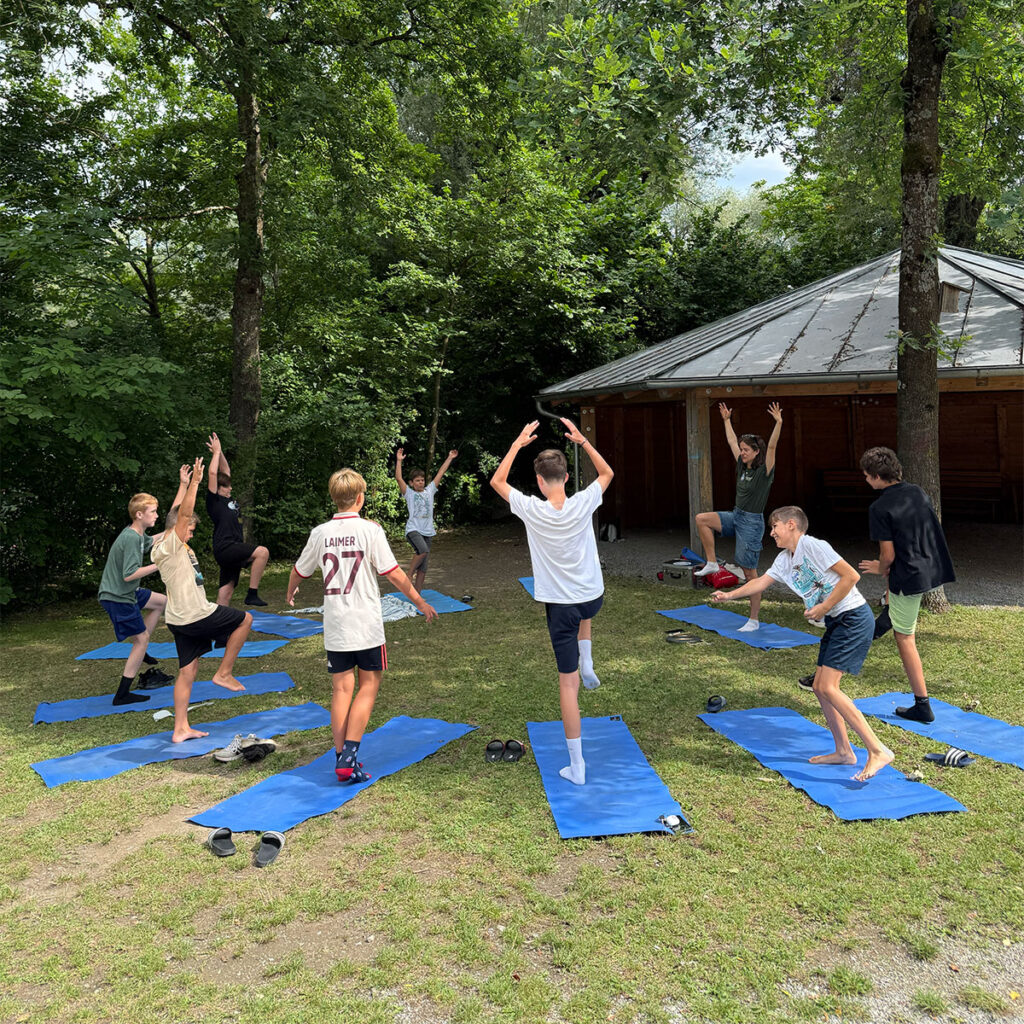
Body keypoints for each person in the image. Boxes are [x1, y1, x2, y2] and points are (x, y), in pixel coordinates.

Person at [711, 505, 895, 782]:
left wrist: (823, 607)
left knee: (828, 687)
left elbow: (851, 576)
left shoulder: (813, 546)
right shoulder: (785, 559)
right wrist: (729, 596)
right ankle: (844, 752)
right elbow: (761, 582)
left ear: (792, 525)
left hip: (854, 618)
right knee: (820, 688)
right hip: (837, 621)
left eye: (775, 526)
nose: (771, 533)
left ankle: (878, 750)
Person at [287, 468, 438, 783]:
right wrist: (419, 601)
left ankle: (340, 756)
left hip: (336, 624)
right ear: (360, 498)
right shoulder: (371, 531)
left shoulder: (320, 533)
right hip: (366, 624)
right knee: (368, 686)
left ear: (335, 498)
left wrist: (291, 591)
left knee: (341, 690)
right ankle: (349, 756)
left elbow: (299, 570)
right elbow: (393, 573)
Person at [490, 418, 614, 786]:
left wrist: (517, 443)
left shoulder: (532, 508)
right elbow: (607, 473)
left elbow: (497, 481)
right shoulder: (583, 501)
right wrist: (583, 441)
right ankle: (587, 658)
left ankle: (577, 767)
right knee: (584, 613)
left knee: (567, 685)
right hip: (593, 598)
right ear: (566, 478)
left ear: (540, 482)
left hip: (562, 607)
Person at [152, 456, 253, 743]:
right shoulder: (172, 545)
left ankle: (180, 728)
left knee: (188, 671)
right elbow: (182, 516)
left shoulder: (165, 542)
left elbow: (175, 514)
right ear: (178, 529)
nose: (191, 534)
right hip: (195, 613)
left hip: (178, 619)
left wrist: (183, 485)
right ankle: (224, 673)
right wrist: (196, 483)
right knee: (245, 619)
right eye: (190, 530)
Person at [857, 446, 956, 724]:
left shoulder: (879, 507)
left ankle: (922, 705)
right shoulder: (917, 492)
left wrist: (880, 567)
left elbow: (887, 555)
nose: (866, 480)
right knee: (890, 617)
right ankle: (876, 627)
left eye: (866, 476)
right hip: (930, 569)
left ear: (877, 477)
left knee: (905, 638)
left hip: (908, 576)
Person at [97, 466, 190, 705]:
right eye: (153, 512)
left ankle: (143, 643)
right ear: (139, 514)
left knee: (162, 602)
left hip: (127, 592)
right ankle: (122, 694)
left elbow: (169, 527)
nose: (156, 515)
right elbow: (129, 575)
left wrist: (183, 485)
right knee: (140, 640)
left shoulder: (138, 535)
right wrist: (159, 564)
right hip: (117, 596)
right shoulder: (131, 538)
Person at [694, 402, 784, 632]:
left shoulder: (764, 471)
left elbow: (772, 446)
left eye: (746, 450)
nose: (742, 452)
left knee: (750, 573)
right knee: (702, 519)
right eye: (742, 449)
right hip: (736, 515)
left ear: (756, 452)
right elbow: (732, 442)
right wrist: (726, 421)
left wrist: (778, 423)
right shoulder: (742, 466)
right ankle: (712, 563)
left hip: (752, 523)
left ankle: (754, 619)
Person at [205, 432, 269, 607]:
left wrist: (219, 451)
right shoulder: (214, 501)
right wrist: (215, 454)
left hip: (233, 547)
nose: (230, 488)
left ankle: (218, 621)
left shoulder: (228, 499)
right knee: (262, 552)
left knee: (226, 592)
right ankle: (252, 594)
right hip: (225, 547)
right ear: (219, 488)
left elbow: (225, 470)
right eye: (227, 486)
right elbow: (213, 473)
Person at [394, 446, 458, 593]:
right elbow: (398, 478)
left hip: (428, 532)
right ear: (411, 483)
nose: (421, 482)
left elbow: (440, 472)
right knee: (422, 551)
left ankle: (417, 596)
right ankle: (409, 574)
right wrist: (399, 461)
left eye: (422, 480)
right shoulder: (409, 493)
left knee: (423, 568)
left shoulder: (430, 491)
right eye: (417, 481)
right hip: (414, 530)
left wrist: (449, 457)